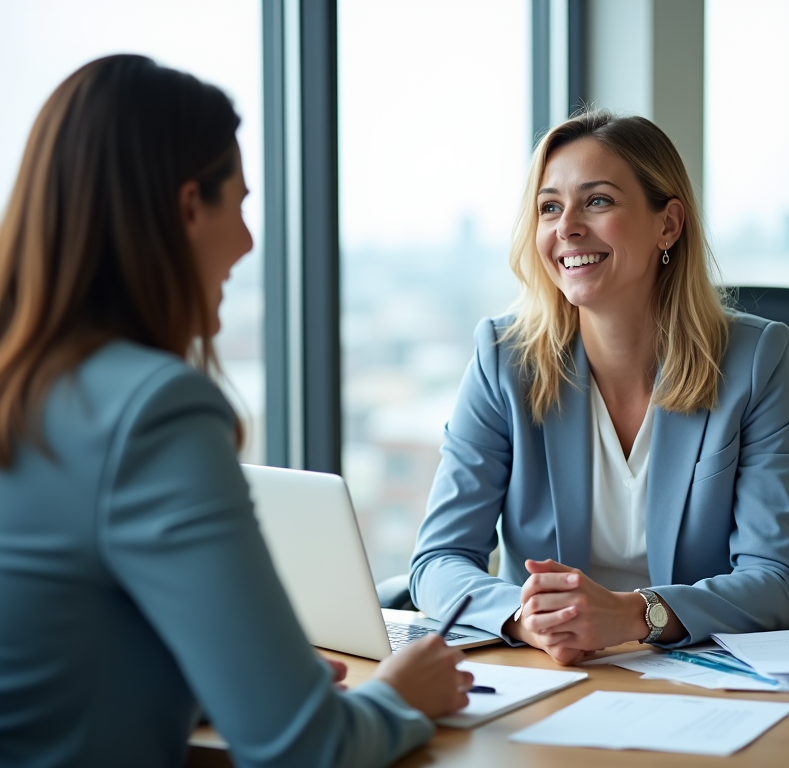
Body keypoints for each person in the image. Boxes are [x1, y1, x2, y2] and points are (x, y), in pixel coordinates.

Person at [0, 55, 472, 768]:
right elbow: (304, 749)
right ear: (190, 205)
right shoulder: (151, 411)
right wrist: (401, 695)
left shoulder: (29, 391)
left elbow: (56, 651)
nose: (248, 243)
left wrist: (222, 675)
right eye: (241, 205)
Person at [410, 110, 789, 665]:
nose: (567, 227)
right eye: (549, 207)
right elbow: (438, 560)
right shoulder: (504, 360)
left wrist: (633, 615)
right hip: (548, 672)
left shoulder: (754, 360)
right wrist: (523, 617)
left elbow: (774, 582)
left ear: (668, 225)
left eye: (597, 201)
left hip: (697, 674)